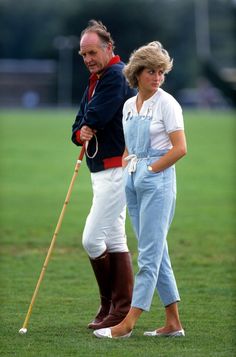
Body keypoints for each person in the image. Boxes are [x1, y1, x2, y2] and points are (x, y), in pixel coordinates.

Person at [94, 41, 187, 339]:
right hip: (132, 182)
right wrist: (127, 172)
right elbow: (127, 147)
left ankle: (128, 323)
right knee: (158, 253)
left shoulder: (168, 104)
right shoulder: (127, 106)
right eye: (151, 71)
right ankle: (173, 323)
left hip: (156, 183)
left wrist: (150, 171)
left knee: (148, 255)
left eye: (161, 72)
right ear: (137, 73)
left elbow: (180, 149)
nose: (157, 77)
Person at [71, 20, 136, 330]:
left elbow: (95, 116)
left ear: (109, 48)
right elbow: (79, 122)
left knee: (91, 238)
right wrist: (79, 131)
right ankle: (115, 307)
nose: (87, 59)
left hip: (115, 168)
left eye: (92, 52)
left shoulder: (115, 76)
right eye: (83, 54)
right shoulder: (96, 78)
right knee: (114, 238)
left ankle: (113, 304)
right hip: (100, 170)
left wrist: (86, 125)